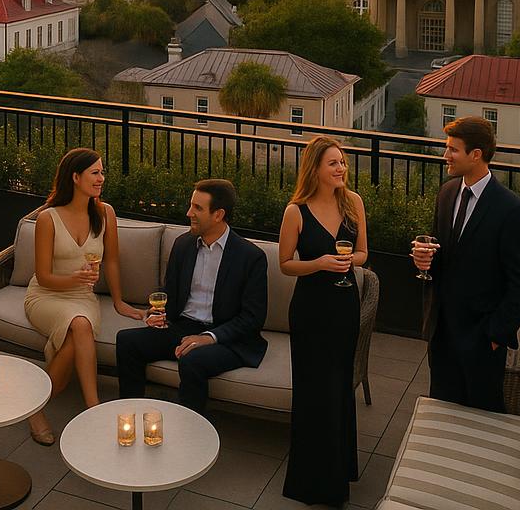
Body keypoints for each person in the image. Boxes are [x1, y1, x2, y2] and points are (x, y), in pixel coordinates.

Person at [411, 115, 520, 412]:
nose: (446, 156)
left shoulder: (513, 211)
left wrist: (494, 336)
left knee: (481, 414)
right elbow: (445, 255)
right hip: (441, 332)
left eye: (453, 149)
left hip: (480, 340)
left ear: (476, 155)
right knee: (441, 411)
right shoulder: (447, 193)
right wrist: (424, 260)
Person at [115, 178, 267, 415]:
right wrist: (155, 313)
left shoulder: (251, 257)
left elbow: (252, 318)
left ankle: (189, 433)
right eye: (191, 205)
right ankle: (130, 415)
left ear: (218, 214)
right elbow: (169, 291)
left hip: (227, 337)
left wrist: (208, 337)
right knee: (127, 341)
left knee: (193, 359)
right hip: (183, 326)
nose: (189, 213)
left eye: (198, 208)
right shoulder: (183, 244)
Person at [24, 149, 144, 444]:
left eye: (103, 172)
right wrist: (72, 279)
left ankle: (34, 406)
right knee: (80, 325)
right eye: (95, 173)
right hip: (47, 295)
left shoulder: (106, 214)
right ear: (75, 178)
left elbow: (112, 260)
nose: (101, 179)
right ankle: (93, 407)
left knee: (79, 326)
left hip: (82, 298)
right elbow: (43, 276)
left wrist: (118, 301)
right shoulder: (48, 218)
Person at [278, 136, 367, 507]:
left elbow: (363, 253)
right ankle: (311, 480)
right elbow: (285, 264)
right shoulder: (295, 211)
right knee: (313, 392)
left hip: (344, 306)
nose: (341, 168)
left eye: (343, 162)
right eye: (333, 163)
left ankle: (340, 469)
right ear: (315, 168)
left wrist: (348, 262)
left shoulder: (354, 203)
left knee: (338, 389)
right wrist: (319, 264)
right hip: (311, 311)